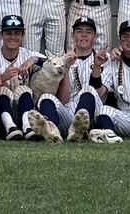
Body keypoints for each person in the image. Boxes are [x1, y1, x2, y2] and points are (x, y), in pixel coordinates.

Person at [29, 15, 105, 143]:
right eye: (79, 31)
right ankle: (52, 130)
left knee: (89, 90)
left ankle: (78, 129)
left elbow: (99, 92)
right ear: (73, 36)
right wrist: (66, 69)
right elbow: (63, 100)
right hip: (69, 113)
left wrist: (98, 65)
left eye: (88, 32)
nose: (84, 35)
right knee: (45, 97)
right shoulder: (62, 61)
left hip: (91, 114)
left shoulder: (104, 58)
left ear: (95, 36)